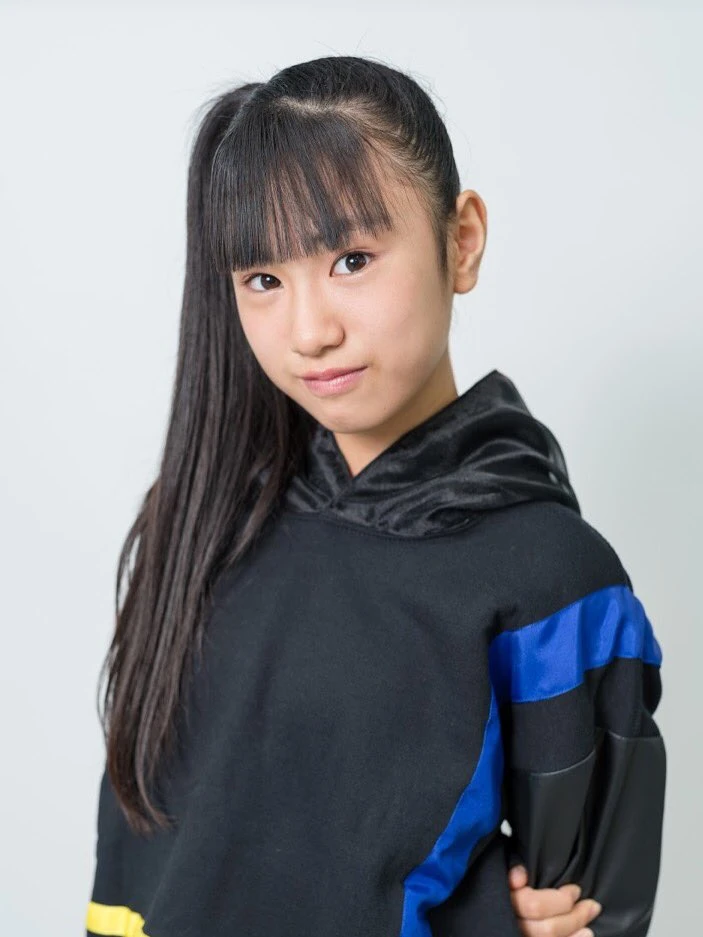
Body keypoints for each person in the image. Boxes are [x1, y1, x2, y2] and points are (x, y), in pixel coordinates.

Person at [84, 55, 666, 937]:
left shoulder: (554, 582)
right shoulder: (202, 522)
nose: (309, 330)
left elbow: (591, 914)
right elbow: (139, 870)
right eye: (263, 280)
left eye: (351, 259)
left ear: (460, 240)